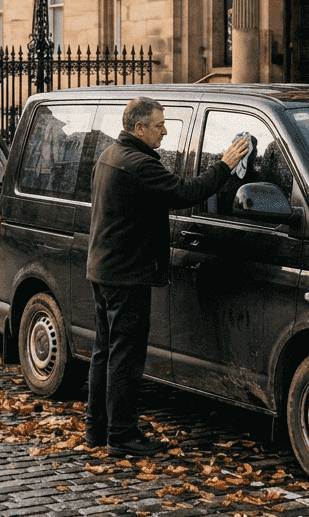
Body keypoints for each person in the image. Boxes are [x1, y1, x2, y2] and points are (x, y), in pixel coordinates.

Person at [86, 97, 250, 456]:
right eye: (159, 124)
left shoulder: (110, 155)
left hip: (104, 270)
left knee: (106, 353)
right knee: (125, 358)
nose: (164, 130)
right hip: (127, 276)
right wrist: (224, 165)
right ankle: (122, 436)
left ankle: (97, 429)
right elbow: (185, 193)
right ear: (139, 127)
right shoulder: (137, 164)